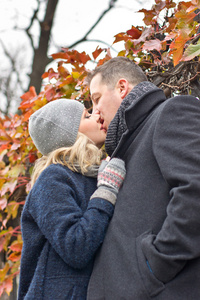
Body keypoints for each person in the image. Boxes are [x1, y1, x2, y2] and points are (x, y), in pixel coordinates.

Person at [86, 56, 200, 299]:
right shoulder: (128, 144)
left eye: (96, 99)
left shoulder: (170, 112)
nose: (95, 112)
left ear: (122, 87)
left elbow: (195, 190)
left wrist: (154, 267)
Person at [18, 99, 126, 300]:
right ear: (68, 135)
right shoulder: (52, 179)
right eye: (86, 115)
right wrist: (106, 190)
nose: (96, 114)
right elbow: (76, 247)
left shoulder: (93, 175)